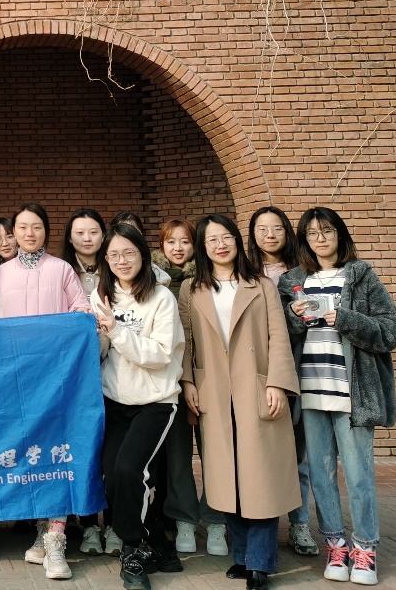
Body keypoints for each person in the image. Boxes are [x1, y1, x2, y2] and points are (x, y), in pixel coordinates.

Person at [280, 209, 396, 587]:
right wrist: (293, 316)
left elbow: (390, 330)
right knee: (320, 475)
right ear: (304, 240)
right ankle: (335, 545)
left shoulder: (360, 275)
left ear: (340, 235)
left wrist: (346, 319)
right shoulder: (293, 280)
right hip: (311, 392)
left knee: (359, 474)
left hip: (352, 393)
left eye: (327, 231)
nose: (320, 239)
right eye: (312, 233)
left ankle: (365, 548)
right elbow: (278, 336)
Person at [179, 215, 299, 590]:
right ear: (203, 247)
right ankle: (244, 556)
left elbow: (278, 337)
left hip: (256, 388)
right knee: (225, 476)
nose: (220, 245)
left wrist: (277, 383)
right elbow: (186, 342)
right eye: (212, 239)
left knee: (261, 476)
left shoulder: (260, 285)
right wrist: (187, 382)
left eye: (226, 237)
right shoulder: (190, 289)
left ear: (236, 240)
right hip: (212, 390)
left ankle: (260, 563)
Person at [0, 203, 91, 580]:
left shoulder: (62, 269)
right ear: (13, 233)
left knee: (57, 452)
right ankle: (40, 529)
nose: (29, 233)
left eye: (36, 226)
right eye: (22, 227)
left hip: (57, 380)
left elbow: (81, 309)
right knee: (31, 454)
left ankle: (56, 540)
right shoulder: (2, 272)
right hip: (18, 381)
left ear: (46, 231)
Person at [90, 222, 186, 590]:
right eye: (113, 255)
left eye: (128, 253)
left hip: (155, 401)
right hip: (115, 399)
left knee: (131, 470)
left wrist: (115, 330)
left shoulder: (161, 298)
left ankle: (132, 550)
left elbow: (160, 355)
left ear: (143, 256)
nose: (121, 261)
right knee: (112, 475)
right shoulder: (101, 296)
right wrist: (95, 334)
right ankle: (159, 545)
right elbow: (101, 354)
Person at [150, 218, 227, 556]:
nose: (178, 248)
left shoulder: (209, 279)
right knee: (178, 455)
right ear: (161, 246)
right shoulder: (152, 281)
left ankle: (216, 518)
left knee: (215, 451)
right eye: (171, 242)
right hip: (171, 378)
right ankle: (183, 517)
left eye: (185, 241)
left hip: (211, 376)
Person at [247, 207, 318, 558]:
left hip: (298, 365)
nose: (270, 235)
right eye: (262, 229)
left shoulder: (304, 271)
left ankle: (300, 523)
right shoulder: (244, 272)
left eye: (277, 228)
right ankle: (255, 523)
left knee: (298, 452)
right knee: (258, 451)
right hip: (254, 371)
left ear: (288, 232)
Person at [61, 207, 115, 554]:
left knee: (112, 453)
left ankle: (114, 524)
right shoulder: (62, 271)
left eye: (93, 231)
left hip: (116, 371)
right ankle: (87, 525)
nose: (86, 238)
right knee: (84, 450)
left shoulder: (117, 267)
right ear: (69, 238)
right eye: (79, 232)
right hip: (77, 376)